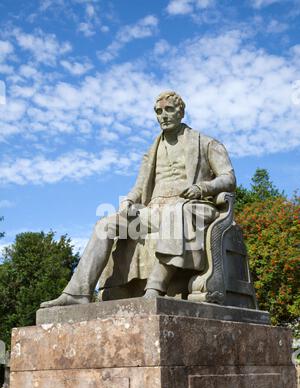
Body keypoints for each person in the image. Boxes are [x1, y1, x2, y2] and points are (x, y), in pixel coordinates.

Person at [40, 90, 236, 308]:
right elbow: (139, 188)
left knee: (175, 211)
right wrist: (129, 201)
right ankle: (78, 293)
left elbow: (228, 178)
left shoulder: (206, 143)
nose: (163, 115)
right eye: (158, 111)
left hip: (192, 207)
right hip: (153, 210)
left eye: (169, 110)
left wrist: (203, 187)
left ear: (181, 112)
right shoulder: (152, 151)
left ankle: (154, 288)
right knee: (104, 225)